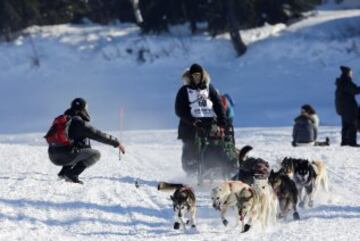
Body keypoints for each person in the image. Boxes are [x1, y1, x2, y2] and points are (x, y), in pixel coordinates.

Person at [45, 98, 125, 184]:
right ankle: (72, 174)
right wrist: (116, 142)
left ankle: (64, 172)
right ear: (83, 108)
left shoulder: (63, 120)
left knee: (79, 144)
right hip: (66, 157)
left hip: (53, 155)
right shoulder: (79, 123)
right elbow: (99, 135)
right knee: (96, 154)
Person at [175, 63, 226, 174]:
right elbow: (179, 110)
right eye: (194, 76)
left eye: (198, 75)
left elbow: (218, 105)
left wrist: (222, 122)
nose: (196, 78)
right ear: (190, 76)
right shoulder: (184, 90)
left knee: (214, 145)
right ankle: (191, 171)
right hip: (189, 125)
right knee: (191, 147)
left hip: (208, 123)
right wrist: (193, 121)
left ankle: (212, 167)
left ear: (202, 75)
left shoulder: (209, 88)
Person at [335, 66, 360, 146]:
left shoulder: (341, 83)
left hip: (344, 109)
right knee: (352, 125)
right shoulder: (346, 82)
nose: (352, 74)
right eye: (351, 73)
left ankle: (345, 142)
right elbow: (355, 90)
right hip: (349, 109)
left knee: (345, 126)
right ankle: (351, 142)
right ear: (348, 73)